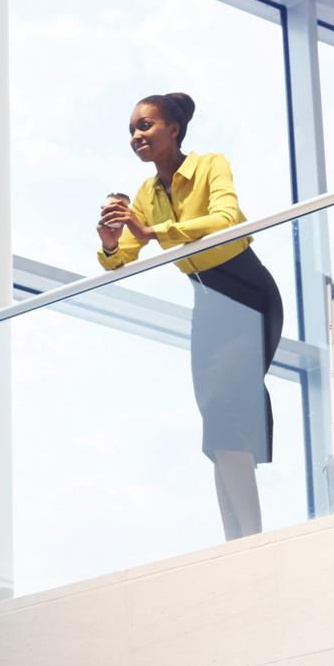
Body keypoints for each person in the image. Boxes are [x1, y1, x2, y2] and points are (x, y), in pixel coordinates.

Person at [96, 92, 285, 541]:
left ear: (174, 129)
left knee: (226, 412)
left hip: (247, 291)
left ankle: (253, 536)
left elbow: (227, 217)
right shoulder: (147, 194)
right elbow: (121, 256)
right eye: (131, 131)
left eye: (145, 126)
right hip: (208, 302)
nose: (136, 136)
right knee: (217, 423)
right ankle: (237, 539)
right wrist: (109, 241)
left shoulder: (208, 165)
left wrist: (156, 231)